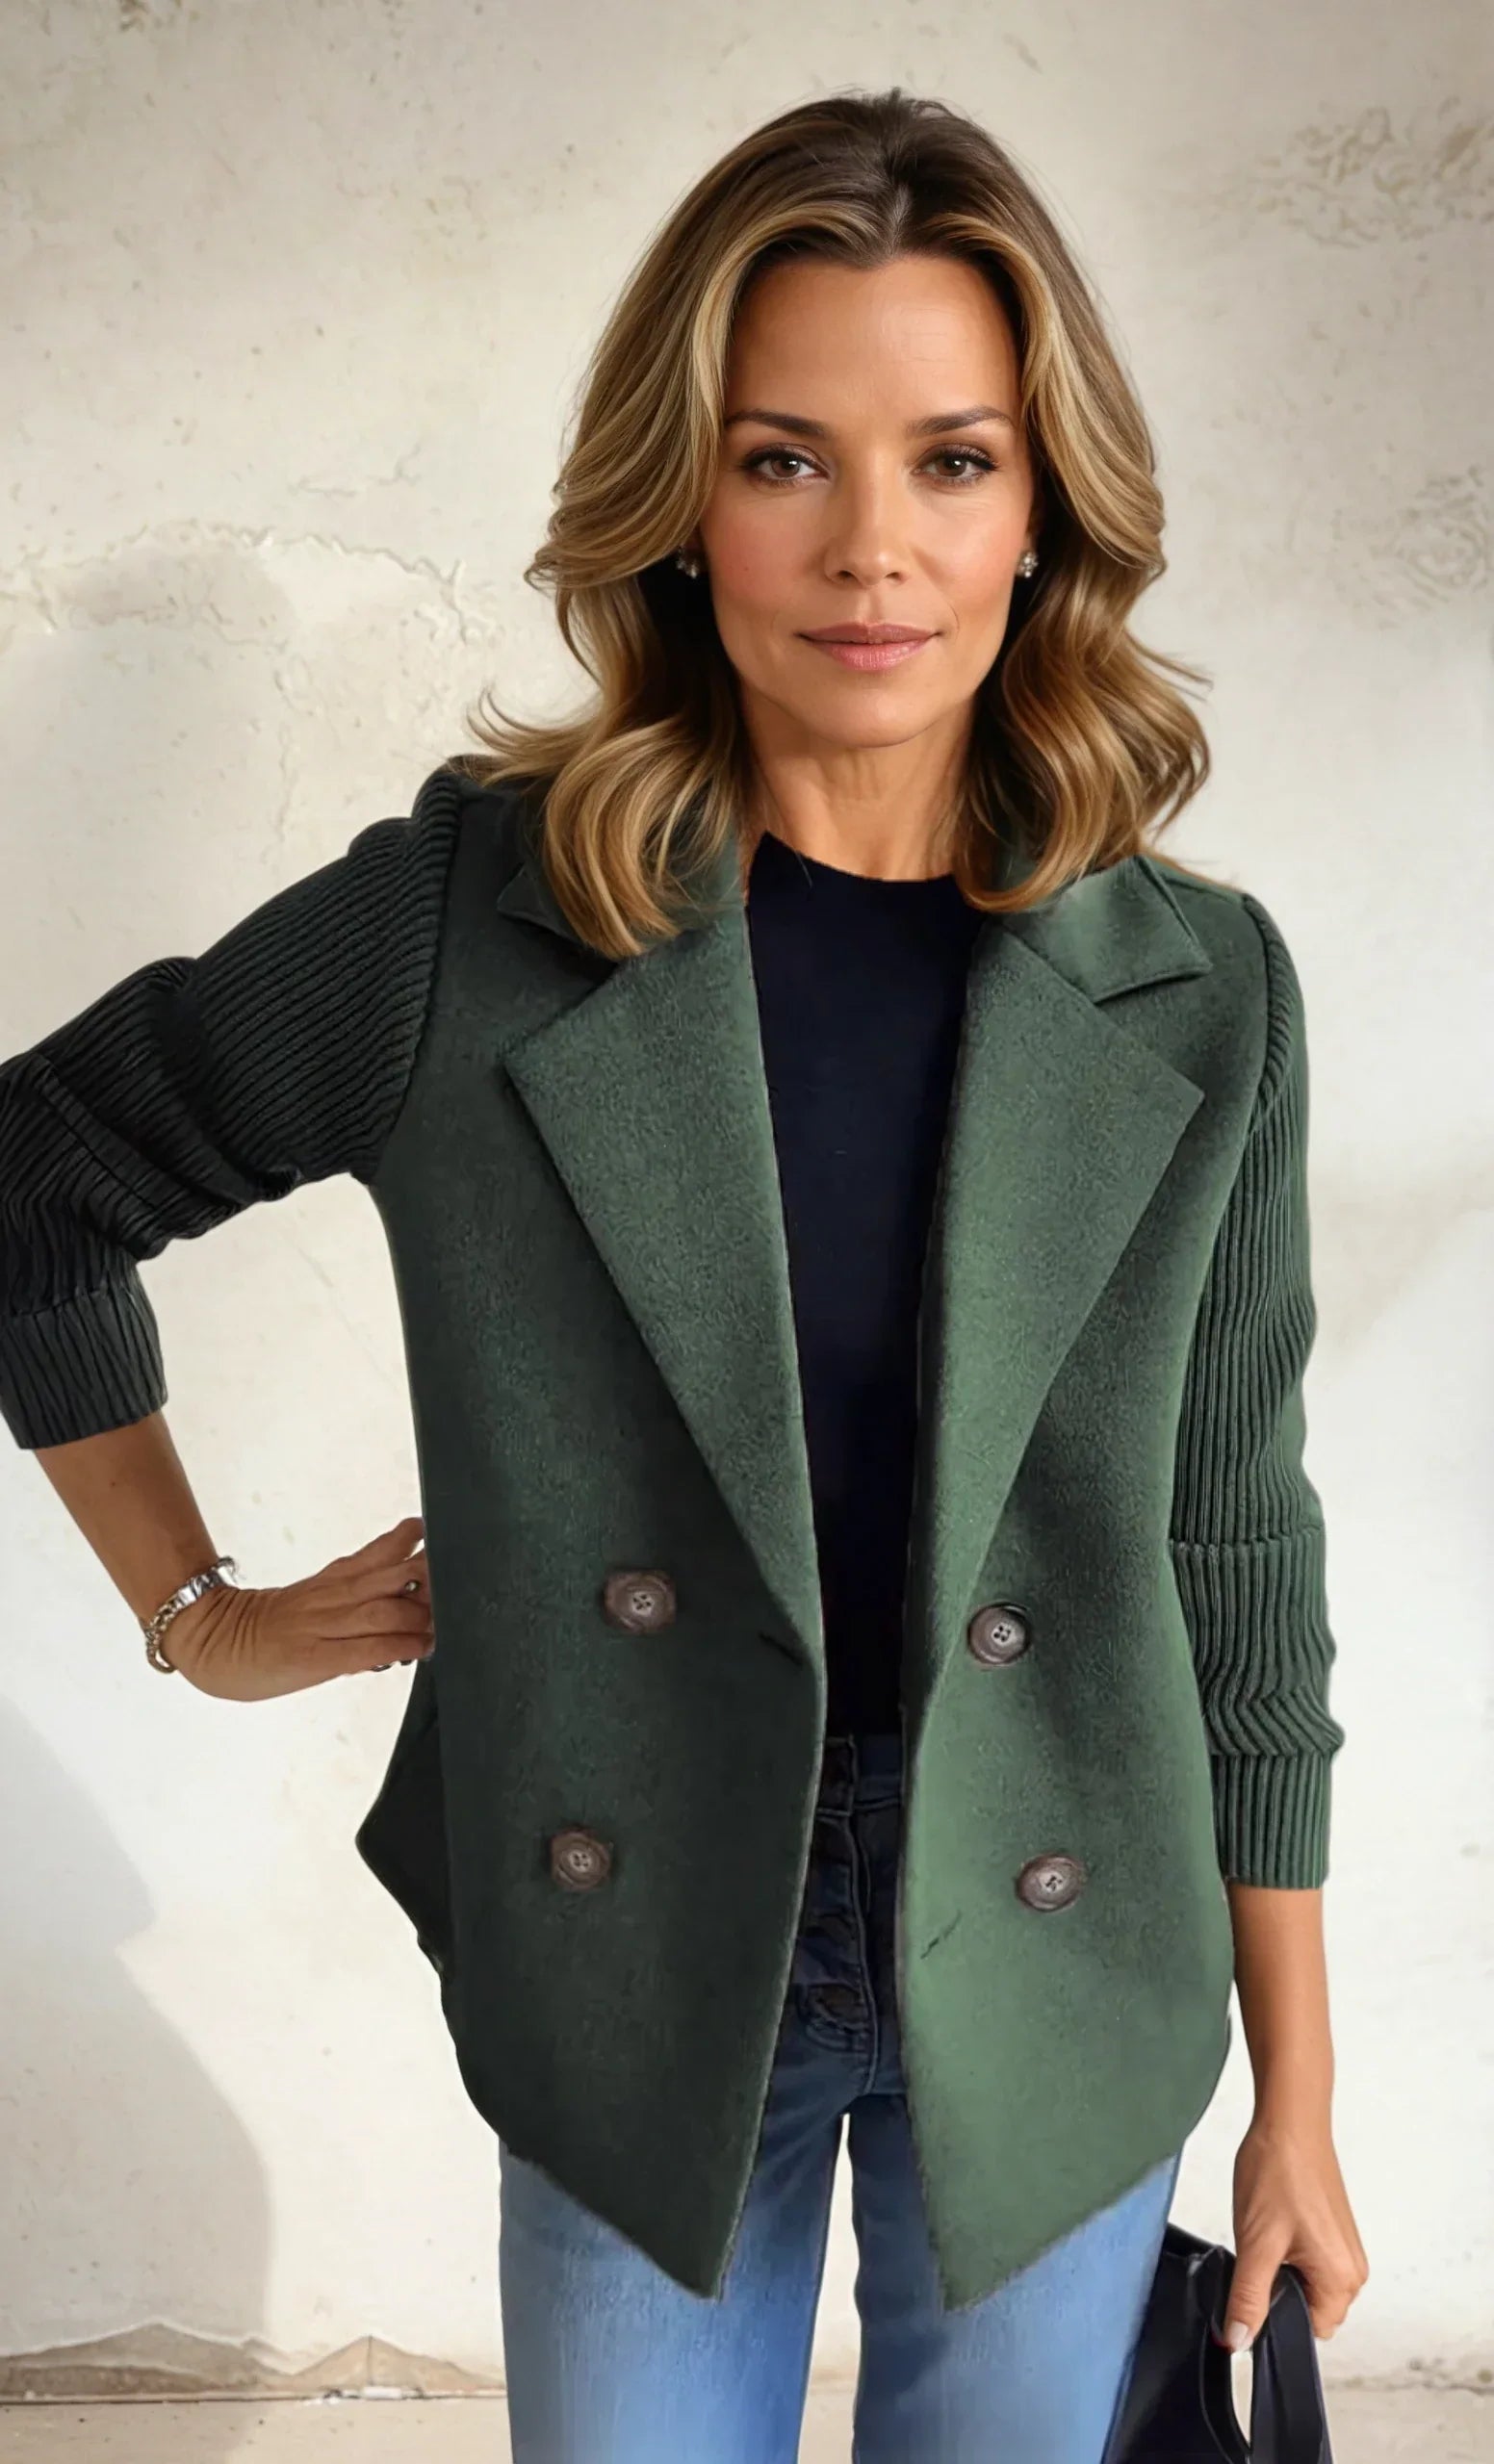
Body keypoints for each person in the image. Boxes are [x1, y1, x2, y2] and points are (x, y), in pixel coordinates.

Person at [0, 87, 1367, 2463]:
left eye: (950, 458)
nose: (871, 548)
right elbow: (38, 1174)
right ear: (679, 498)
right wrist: (199, 1611)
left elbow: (1232, 1544)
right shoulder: (469, 927)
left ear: (1042, 505)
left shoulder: (1196, 987)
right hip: (632, 1939)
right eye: (780, 458)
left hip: (1069, 1935)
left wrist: (1299, 2100)